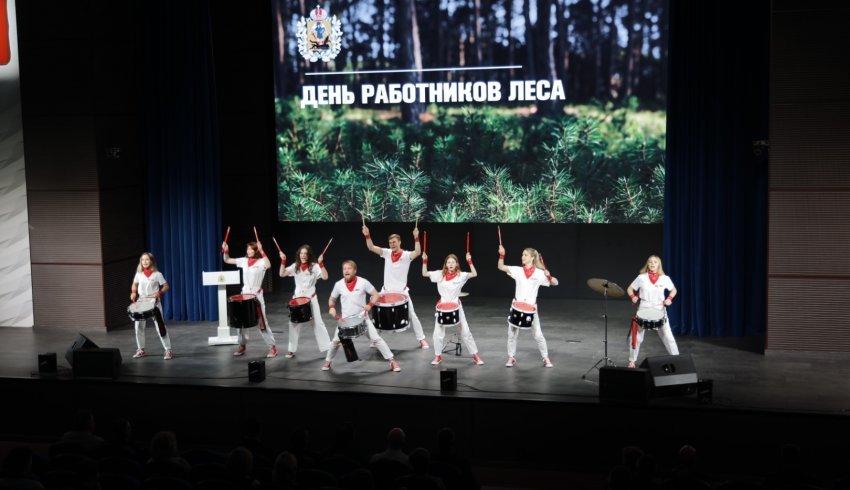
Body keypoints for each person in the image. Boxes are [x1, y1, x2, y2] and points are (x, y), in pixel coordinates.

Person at [323, 260, 401, 372]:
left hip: (362, 318)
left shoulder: (363, 282)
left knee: (376, 339)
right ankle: (328, 362)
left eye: (349, 268)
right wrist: (331, 307)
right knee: (335, 341)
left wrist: (370, 305)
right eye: (344, 269)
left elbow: (375, 294)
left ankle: (392, 361)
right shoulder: (338, 284)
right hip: (345, 320)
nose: (346, 271)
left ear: (354, 270)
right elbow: (332, 298)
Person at [362, 224, 429, 349]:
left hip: (402, 293)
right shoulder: (386, 253)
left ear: (399, 242)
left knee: (412, 315)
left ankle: (422, 339)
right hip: (386, 291)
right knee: (378, 315)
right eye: (390, 243)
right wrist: (367, 234)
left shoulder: (406, 255)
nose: (391, 244)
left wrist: (416, 237)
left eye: (394, 242)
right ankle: (376, 339)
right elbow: (371, 247)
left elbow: (418, 252)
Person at [497, 245, 558, 368]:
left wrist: (549, 276)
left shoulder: (540, 273)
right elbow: (501, 266)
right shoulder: (518, 270)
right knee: (512, 334)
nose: (522, 257)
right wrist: (502, 255)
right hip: (517, 307)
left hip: (531, 309)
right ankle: (511, 357)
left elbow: (556, 283)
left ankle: (545, 358)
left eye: (525, 255)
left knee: (538, 335)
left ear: (532, 257)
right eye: (522, 254)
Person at [422, 252, 483, 366]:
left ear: (456, 264)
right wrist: (424, 261)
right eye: (448, 262)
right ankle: (438, 356)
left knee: (465, 332)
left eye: (453, 262)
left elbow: (474, 274)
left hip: (456, 305)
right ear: (445, 264)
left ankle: (475, 355)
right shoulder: (440, 274)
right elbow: (424, 273)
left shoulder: (461, 275)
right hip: (442, 306)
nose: (450, 264)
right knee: (437, 334)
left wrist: (470, 261)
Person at [222, 240, 278, 357]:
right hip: (245, 294)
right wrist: (226, 250)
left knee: (262, 323)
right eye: (247, 249)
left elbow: (269, 265)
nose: (249, 251)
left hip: (256, 295)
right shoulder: (243, 261)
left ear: (256, 250)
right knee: (241, 322)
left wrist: (262, 251)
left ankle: (272, 347)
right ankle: (242, 345)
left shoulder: (262, 261)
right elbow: (227, 259)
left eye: (251, 249)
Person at [626, 255, 679, 368]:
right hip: (644, 307)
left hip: (659, 308)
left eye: (655, 262)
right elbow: (630, 288)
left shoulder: (665, 278)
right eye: (650, 262)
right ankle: (632, 361)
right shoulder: (641, 277)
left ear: (658, 264)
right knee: (636, 336)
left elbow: (674, 290)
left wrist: (669, 299)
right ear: (648, 264)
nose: (652, 264)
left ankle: (677, 359)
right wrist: (633, 296)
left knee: (668, 336)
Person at [279, 245, 332, 358]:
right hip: (297, 299)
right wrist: (283, 261)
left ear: (309, 256)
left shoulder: (315, 266)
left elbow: (325, 276)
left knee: (317, 322)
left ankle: (327, 347)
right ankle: (291, 349)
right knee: (294, 324)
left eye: (305, 253)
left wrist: (321, 263)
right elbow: (282, 274)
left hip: (311, 299)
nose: (303, 255)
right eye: (301, 253)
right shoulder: (295, 266)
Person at [130, 252, 173, 360]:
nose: (144, 261)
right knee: (138, 327)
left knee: (160, 326)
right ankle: (141, 349)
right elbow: (134, 283)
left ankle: (168, 350)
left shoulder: (157, 274)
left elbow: (166, 286)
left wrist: (160, 293)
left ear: (151, 261)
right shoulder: (139, 274)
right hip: (141, 301)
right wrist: (134, 292)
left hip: (153, 302)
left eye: (147, 259)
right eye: (143, 260)